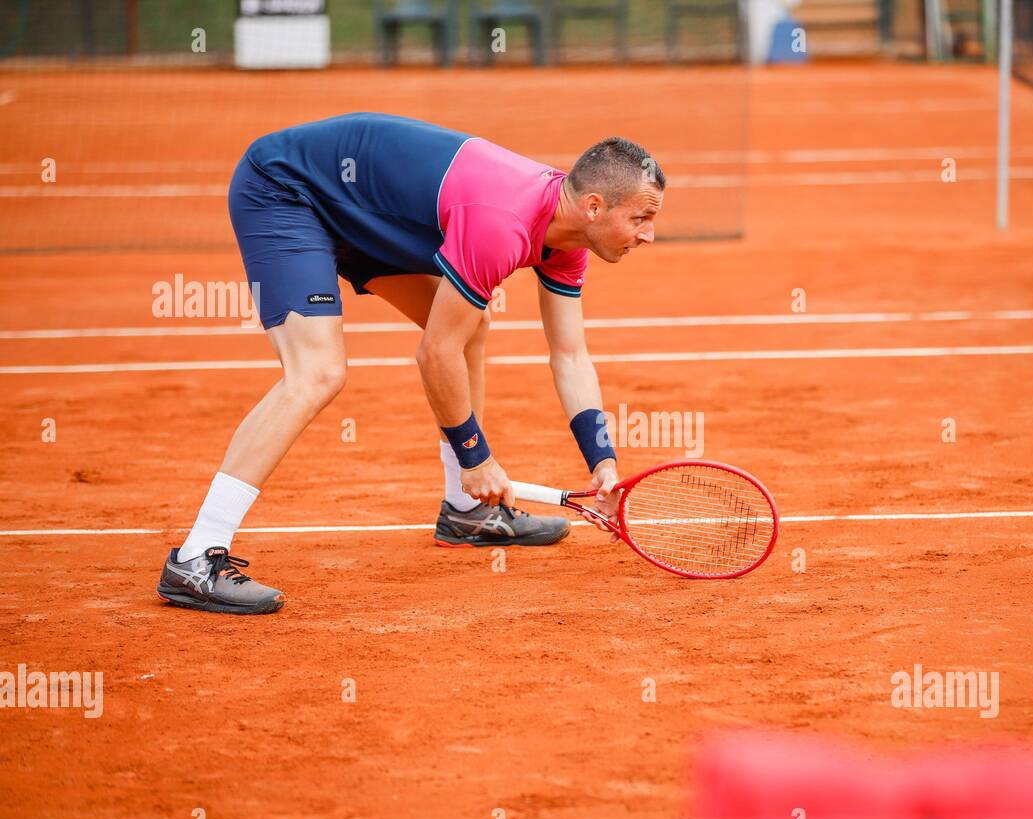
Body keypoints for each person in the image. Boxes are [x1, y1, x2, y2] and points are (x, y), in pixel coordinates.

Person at [157, 113, 664, 614]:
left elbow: (570, 355)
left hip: (363, 209)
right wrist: (476, 459)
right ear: (594, 206)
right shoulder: (502, 223)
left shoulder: (567, 239)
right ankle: (197, 556)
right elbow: (434, 354)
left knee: (472, 328)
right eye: (641, 218)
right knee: (318, 372)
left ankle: (467, 514)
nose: (648, 235)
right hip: (289, 187)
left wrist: (602, 461)